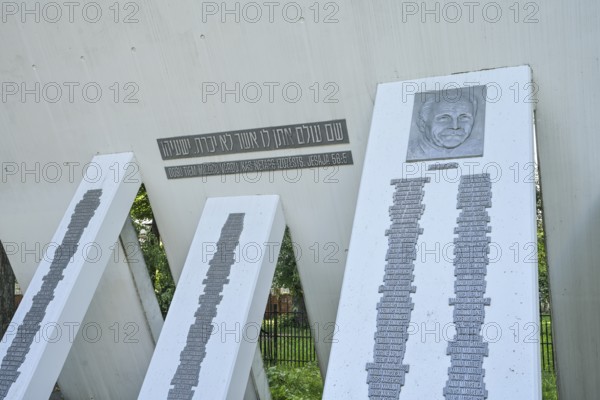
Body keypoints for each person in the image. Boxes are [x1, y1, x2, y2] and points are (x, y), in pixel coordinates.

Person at [407, 89, 482, 161]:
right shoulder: (409, 152)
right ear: (422, 124)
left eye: (464, 117)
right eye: (444, 118)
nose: (455, 127)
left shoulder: (479, 148)